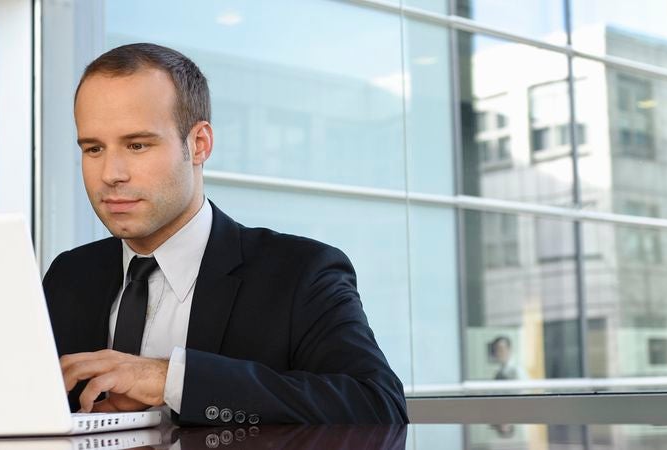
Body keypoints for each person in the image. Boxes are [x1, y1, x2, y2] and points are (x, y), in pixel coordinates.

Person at [42, 43, 408, 426]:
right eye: (93, 148)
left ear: (199, 145)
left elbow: (378, 406)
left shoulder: (301, 273)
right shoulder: (69, 276)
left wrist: (169, 379)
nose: (110, 173)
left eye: (137, 145)